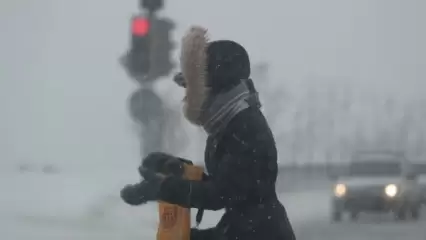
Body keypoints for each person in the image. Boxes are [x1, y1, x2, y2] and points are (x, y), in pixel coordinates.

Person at [120, 26, 296, 240]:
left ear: (212, 87)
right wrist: (178, 170)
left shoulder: (246, 127)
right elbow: (230, 185)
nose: (186, 98)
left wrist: (162, 188)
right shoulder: (229, 124)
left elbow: (222, 193)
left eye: (191, 90)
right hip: (245, 230)